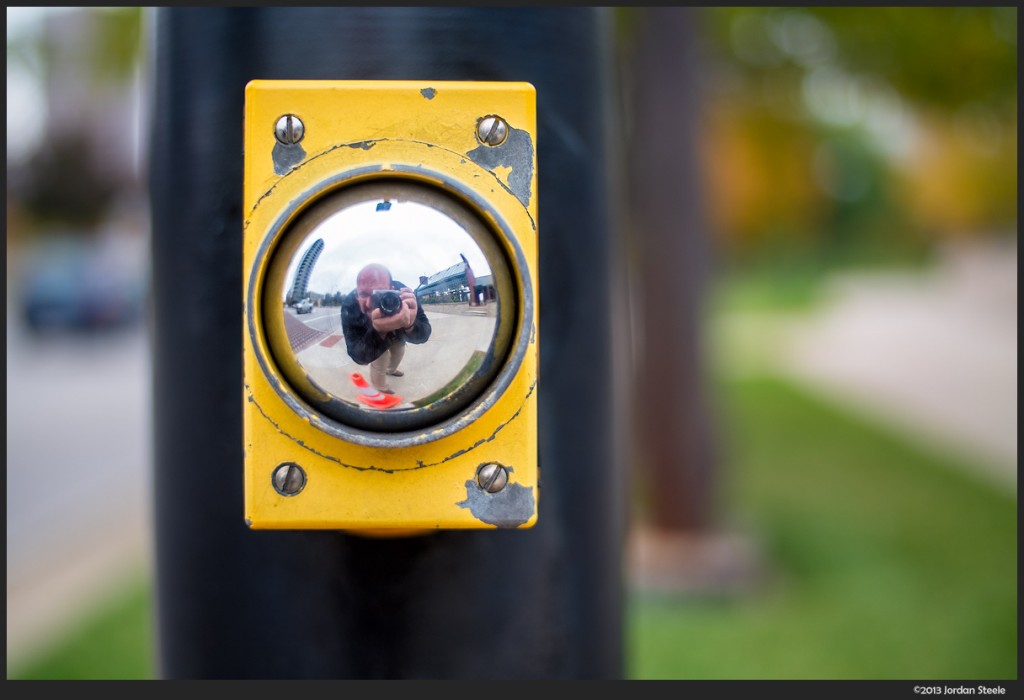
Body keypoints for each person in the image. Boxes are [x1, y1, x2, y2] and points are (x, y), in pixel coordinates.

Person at [340, 262, 431, 394]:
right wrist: (378, 332)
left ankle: (391, 370)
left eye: (379, 293)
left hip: (398, 334)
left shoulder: (403, 292)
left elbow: (424, 333)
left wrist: (411, 324)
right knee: (380, 359)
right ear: (357, 294)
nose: (371, 303)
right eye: (364, 294)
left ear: (392, 288)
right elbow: (357, 355)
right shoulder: (350, 304)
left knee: (399, 351)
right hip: (371, 337)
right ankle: (379, 387)